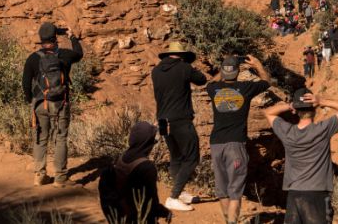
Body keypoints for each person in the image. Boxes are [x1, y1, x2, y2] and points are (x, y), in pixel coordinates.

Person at [265, 88, 338, 224]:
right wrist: (321, 101)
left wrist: (290, 105)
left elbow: (268, 113)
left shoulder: (287, 132)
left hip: (294, 194)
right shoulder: (322, 130)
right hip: (317, 194)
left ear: (296, 111)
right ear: (314, 109)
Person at [206, 54, 272, 224]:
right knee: (235, 190)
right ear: (237, 72)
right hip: (235, 144)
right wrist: (257, 64)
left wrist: (225, 69)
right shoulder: (246, 88)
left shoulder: (213, 89)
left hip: (216, 144)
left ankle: (228, 221)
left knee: (222, 190)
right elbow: (266, 82)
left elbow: (211, 82)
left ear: (223, 72)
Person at [24, 22, 84, 187]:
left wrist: (31, 101)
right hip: (60, 103)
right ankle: (60, 177)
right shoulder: (65, 55)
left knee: (40, 138)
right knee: (60, 138)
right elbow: (79, 53)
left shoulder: (33, 58)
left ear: (41, 39)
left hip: (40, 103)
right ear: (55, 37)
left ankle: (40, 175)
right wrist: (71, 36)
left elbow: (25, 83)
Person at [151, 41, 209, 212]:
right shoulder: (184, 68)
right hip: (180, 120)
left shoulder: (156, 71)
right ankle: (174, 197)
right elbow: (202, 80)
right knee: (192, 158)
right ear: (182, 55)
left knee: (175, 157)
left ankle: (180, 193)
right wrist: (190, 66)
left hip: (163, 120)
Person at [99, 120, 172, 224]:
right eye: (153, 140)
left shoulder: (123, 157)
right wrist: (164, 211)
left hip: (119, 212)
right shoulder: (146, 167)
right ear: (148, 143)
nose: (154, 142)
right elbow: (150, 202)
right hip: (135, 216)